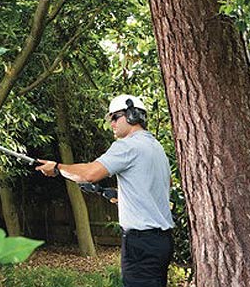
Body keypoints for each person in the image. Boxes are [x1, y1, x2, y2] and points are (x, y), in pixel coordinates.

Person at [36, 94, 174, 287]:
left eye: (115, 117)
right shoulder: (156, 147)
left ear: (131, 115)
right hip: (161, 241)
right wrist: (123, 196)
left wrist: (57, 168)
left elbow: (89, 173)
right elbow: (161, 186)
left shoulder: (128, 146)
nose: (112, 123)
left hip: (140, 243)